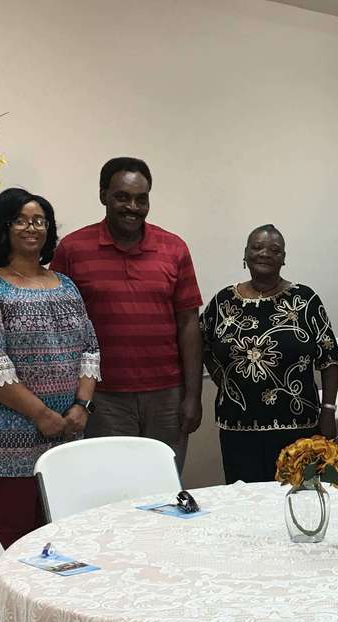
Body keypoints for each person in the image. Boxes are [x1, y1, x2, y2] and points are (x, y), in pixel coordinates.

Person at [0, 188, 99, 549]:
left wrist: (82, 405)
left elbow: (90, 348)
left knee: (62, 544)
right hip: (4, 445)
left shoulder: (65, 285)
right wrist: (41, 414)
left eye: (39, 220)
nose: (32, 227)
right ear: (2, 228)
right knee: (11, 548)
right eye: (20, 220)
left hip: (63, 436)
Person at [50, 157, 203, 472]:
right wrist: (76, 398)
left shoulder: (174, 249)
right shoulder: (72, 249)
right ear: (103, 195)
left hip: (167, 398)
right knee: (112, 490)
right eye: (122, 196)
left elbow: (189, 324)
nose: (132, 206)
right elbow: (60, 329)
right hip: (102, 399)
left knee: (165, 488)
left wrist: (193, 395)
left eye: (141, 199)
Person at [201, 224, 338, 483]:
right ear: (245, 254)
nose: (264, 253)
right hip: (237, 428)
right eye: (257, 247)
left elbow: (330, 359)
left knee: (299, 498)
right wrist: (222, 378)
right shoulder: (222, 302)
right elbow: (202, 344)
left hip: (298, 429)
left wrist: (329, 410)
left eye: (274, 250)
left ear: (284, 258)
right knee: (245, 501)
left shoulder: (305, 300)